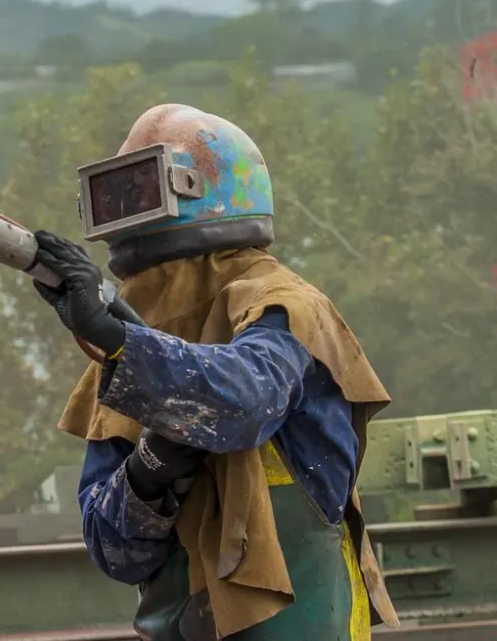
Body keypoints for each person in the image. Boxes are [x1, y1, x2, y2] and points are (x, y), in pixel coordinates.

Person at [30, 103, 399, 640]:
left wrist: (119, 340)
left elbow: (242, 399)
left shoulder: (288, 310)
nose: (160, 296)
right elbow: (114, 552)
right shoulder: (130, 363)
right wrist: (149, 473)